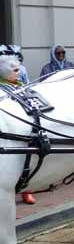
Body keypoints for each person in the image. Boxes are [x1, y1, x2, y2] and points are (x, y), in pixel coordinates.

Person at [0, 56, 35, 205]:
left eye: (18, 69)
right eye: (14, 70)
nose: (18, 72)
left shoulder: (21, 85)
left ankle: (27, 191)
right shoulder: (3, 89)